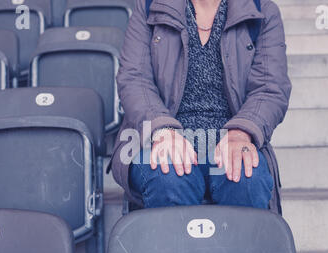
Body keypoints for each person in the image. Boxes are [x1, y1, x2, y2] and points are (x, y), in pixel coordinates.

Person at [110, 0, 291, 214]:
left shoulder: (261, 11)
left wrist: (241, 133)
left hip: (229, 142)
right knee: (168, 175)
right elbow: (134, 79)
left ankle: (237, 249)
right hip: (161, 138)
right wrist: (162, 130)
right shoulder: (151, 5)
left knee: (247, 177)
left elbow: (270, 87)